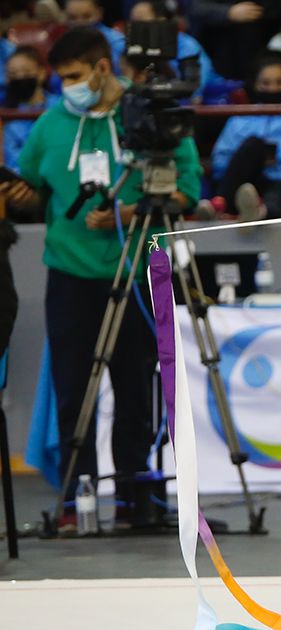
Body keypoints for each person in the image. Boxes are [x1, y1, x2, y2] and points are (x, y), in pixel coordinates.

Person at [11, 27, 201, 529]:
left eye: (74, 76)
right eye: (60, 79)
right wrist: (14, 194)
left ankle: (136, 498)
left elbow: (188, 190)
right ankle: (77, 501)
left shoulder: (150, 116)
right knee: (74, 388)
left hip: (138, 270)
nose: (65, 87)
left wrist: (135, 207)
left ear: (101, 68)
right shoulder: (51, 123)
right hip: (71, 273)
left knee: (136, 387)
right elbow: (32, 187)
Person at [211, 53, 281, 221]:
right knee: (253, 145)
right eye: (266, 83)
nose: (273, 89)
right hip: (242, 180)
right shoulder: (240, 118)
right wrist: (248, 157)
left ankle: (259, 212)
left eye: (280, 83)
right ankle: (218, 207)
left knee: (277, 197)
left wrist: (277, 154)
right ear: (255, 85)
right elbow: (219, 160)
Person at [128, 0, 217, 103]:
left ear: (161, 21)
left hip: (207, 102)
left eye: (141, 21)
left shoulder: (188, 46)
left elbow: (195, 93)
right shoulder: (133, 48)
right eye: (133, 21)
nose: (136, 27)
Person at [3, 48, 58, 173]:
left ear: (41, 73)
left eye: (26, 72)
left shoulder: (60, 106)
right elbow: (14, 163)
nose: (20, 77)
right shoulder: (8, 117)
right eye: (13, 74)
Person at [64, 0, 126, 70]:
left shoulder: (118, 44)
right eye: (72, 18)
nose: (79, 23)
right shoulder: (63, 44)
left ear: (99, 13)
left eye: (86, 16)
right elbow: (55, 81)